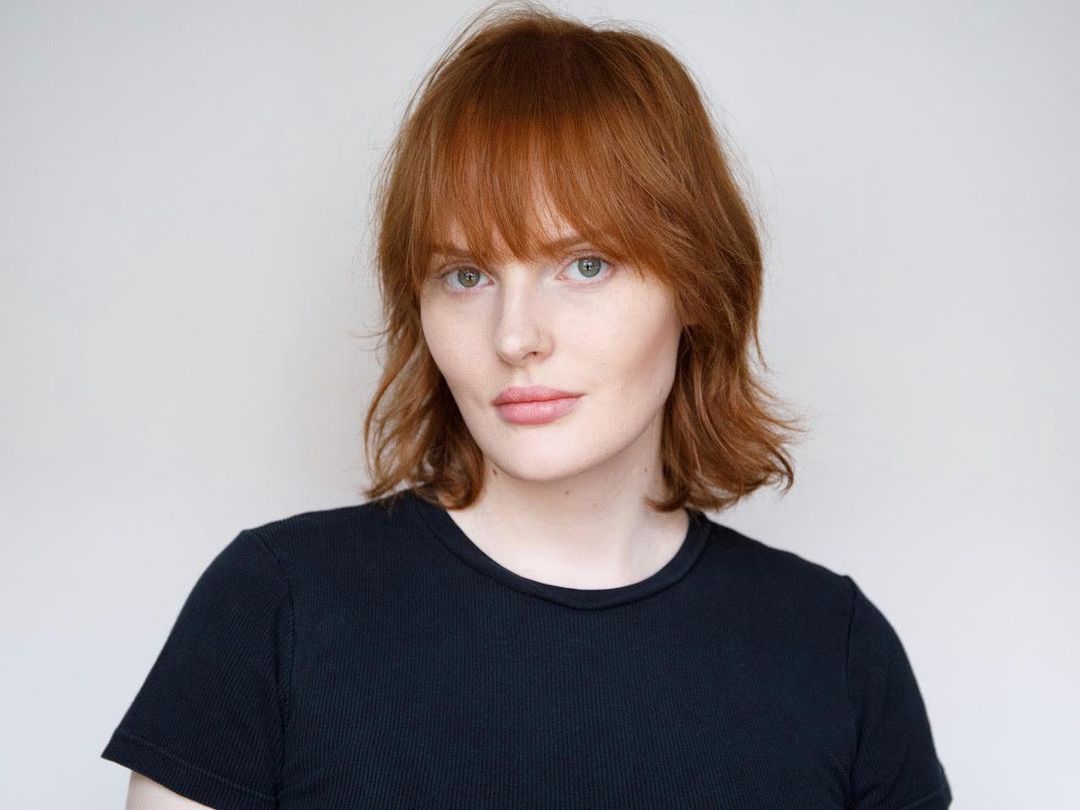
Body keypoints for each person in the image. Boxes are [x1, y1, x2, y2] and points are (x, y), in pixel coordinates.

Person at [101, 2, 953, 808]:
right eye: (466, 275)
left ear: (697, 285)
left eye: (585, 264)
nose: (515, 337)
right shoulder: (276, 607)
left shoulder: (835, 652)